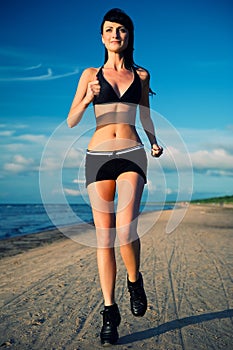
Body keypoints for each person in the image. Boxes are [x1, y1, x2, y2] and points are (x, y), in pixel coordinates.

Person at [67, 8, 163, 346]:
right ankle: (110, 311)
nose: (115, 35)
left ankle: (134, 280)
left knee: (125, 229)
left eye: (121, 30)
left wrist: (153, 141)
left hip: (132, 154)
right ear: (102, 36)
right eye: (109, 30)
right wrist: (88, 96)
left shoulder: (141, 75)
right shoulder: (90, 74)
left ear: (129, 35)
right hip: (97, 158)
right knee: (104, 237)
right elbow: (71, 120)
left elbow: (145, 116)